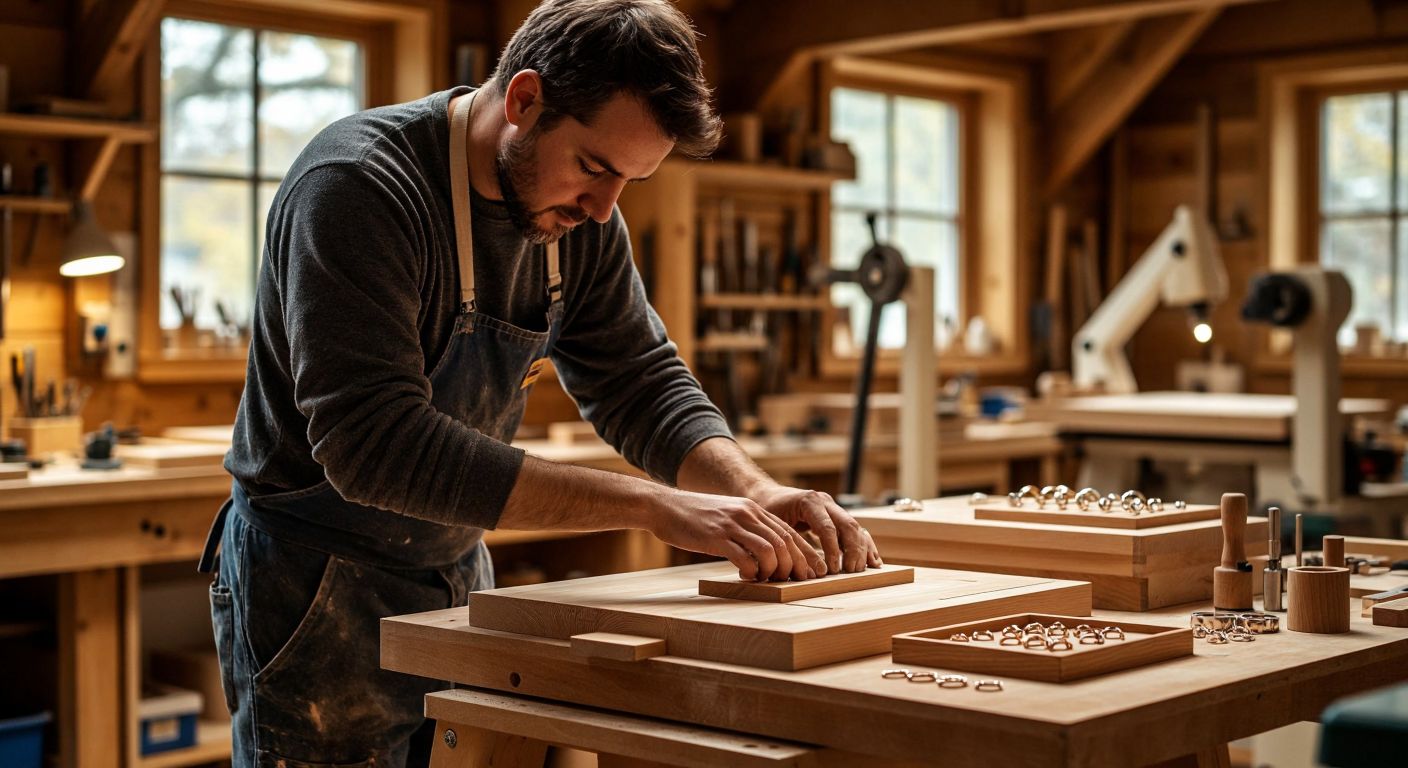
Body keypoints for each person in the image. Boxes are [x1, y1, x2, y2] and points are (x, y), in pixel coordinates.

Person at [199, 0, 882, 765]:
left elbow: (640, 380)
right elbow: (375, 446)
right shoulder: (360, 187)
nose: (603, 209)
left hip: (454, 565)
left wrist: (748, 490)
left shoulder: (580, 221)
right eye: (594, 167)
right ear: (524, 99)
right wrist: (655, 505)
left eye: (629, 181)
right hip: (314, 582)